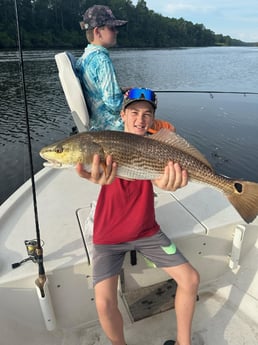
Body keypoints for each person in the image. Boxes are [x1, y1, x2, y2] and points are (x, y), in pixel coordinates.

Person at [76, 88, 200, 345]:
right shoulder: (108, 145)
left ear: (153, 119)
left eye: (147, 114)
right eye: (133, 112)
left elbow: (160, 176)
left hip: (147, 231)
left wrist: (169, 183)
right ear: (122, 114)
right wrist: (92, 173)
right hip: (108, 236)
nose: (140, 119)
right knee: (103, 301)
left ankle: (184, 343)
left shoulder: (157, 147)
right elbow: (91, 167)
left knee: (191, 278)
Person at [76, 5, 128, 131]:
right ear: (97, 32)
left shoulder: (85, 58)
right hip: (112, 127)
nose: (116, 31)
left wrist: (121, 90)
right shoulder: (102, 60)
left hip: (97, 124)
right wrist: (133, 100)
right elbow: (114, 104)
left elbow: (97, 90)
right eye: (112, 28)